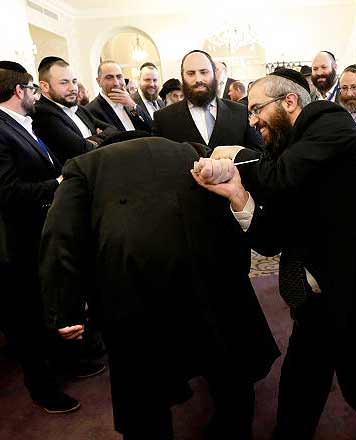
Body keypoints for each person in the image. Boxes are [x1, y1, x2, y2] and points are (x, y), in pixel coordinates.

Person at [193, 69, 356, 440]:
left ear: (289, 102)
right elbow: (271, 240)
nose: (253, 120)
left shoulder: (330, 123)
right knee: (298, 395)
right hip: (316, 301)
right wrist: (238, 197)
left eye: (257, 109)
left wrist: (234, 156)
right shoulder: (288, 151)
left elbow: (278, 176)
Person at [39, 133, 280, 440]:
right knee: (225, 361)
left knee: (143, 383)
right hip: (208, 274)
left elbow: (60, 237)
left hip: (133, 287)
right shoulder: (190, 149)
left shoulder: (84, 165)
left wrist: (65, 309)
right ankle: (234, 426)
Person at [0, 60, 103, 414]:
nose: (35, 96)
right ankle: (43, 389)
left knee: (52, 305)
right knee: (29, 319)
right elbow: (7, 192)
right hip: (18, 242)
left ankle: (67, 365)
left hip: (42, 233)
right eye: (31, 89)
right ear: (20, 91)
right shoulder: (0, 128)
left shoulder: (19, 124)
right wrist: (57, 184)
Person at [153, 50, 261, 150]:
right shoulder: (163, 119)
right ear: (182, 76)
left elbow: (257, 156)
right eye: (191, 73)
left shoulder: (241, 113)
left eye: (204, 72)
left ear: (214, 74)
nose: (198, 79)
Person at [33, 56, 117, 165]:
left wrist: (91, 140)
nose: (72, 88)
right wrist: (96, 139)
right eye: (64, 83)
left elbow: (112, 129)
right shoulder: (42, 114)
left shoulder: (79, 110)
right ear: (45, 86)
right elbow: (82, 150)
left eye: (74, 81)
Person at [86, 61, 151, 132]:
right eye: (109, 78)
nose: (116, 83)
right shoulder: (90, 111)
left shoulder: (131, 102)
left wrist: (132, 105)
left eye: (119, 77)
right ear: (99, 81)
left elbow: (151, 128)